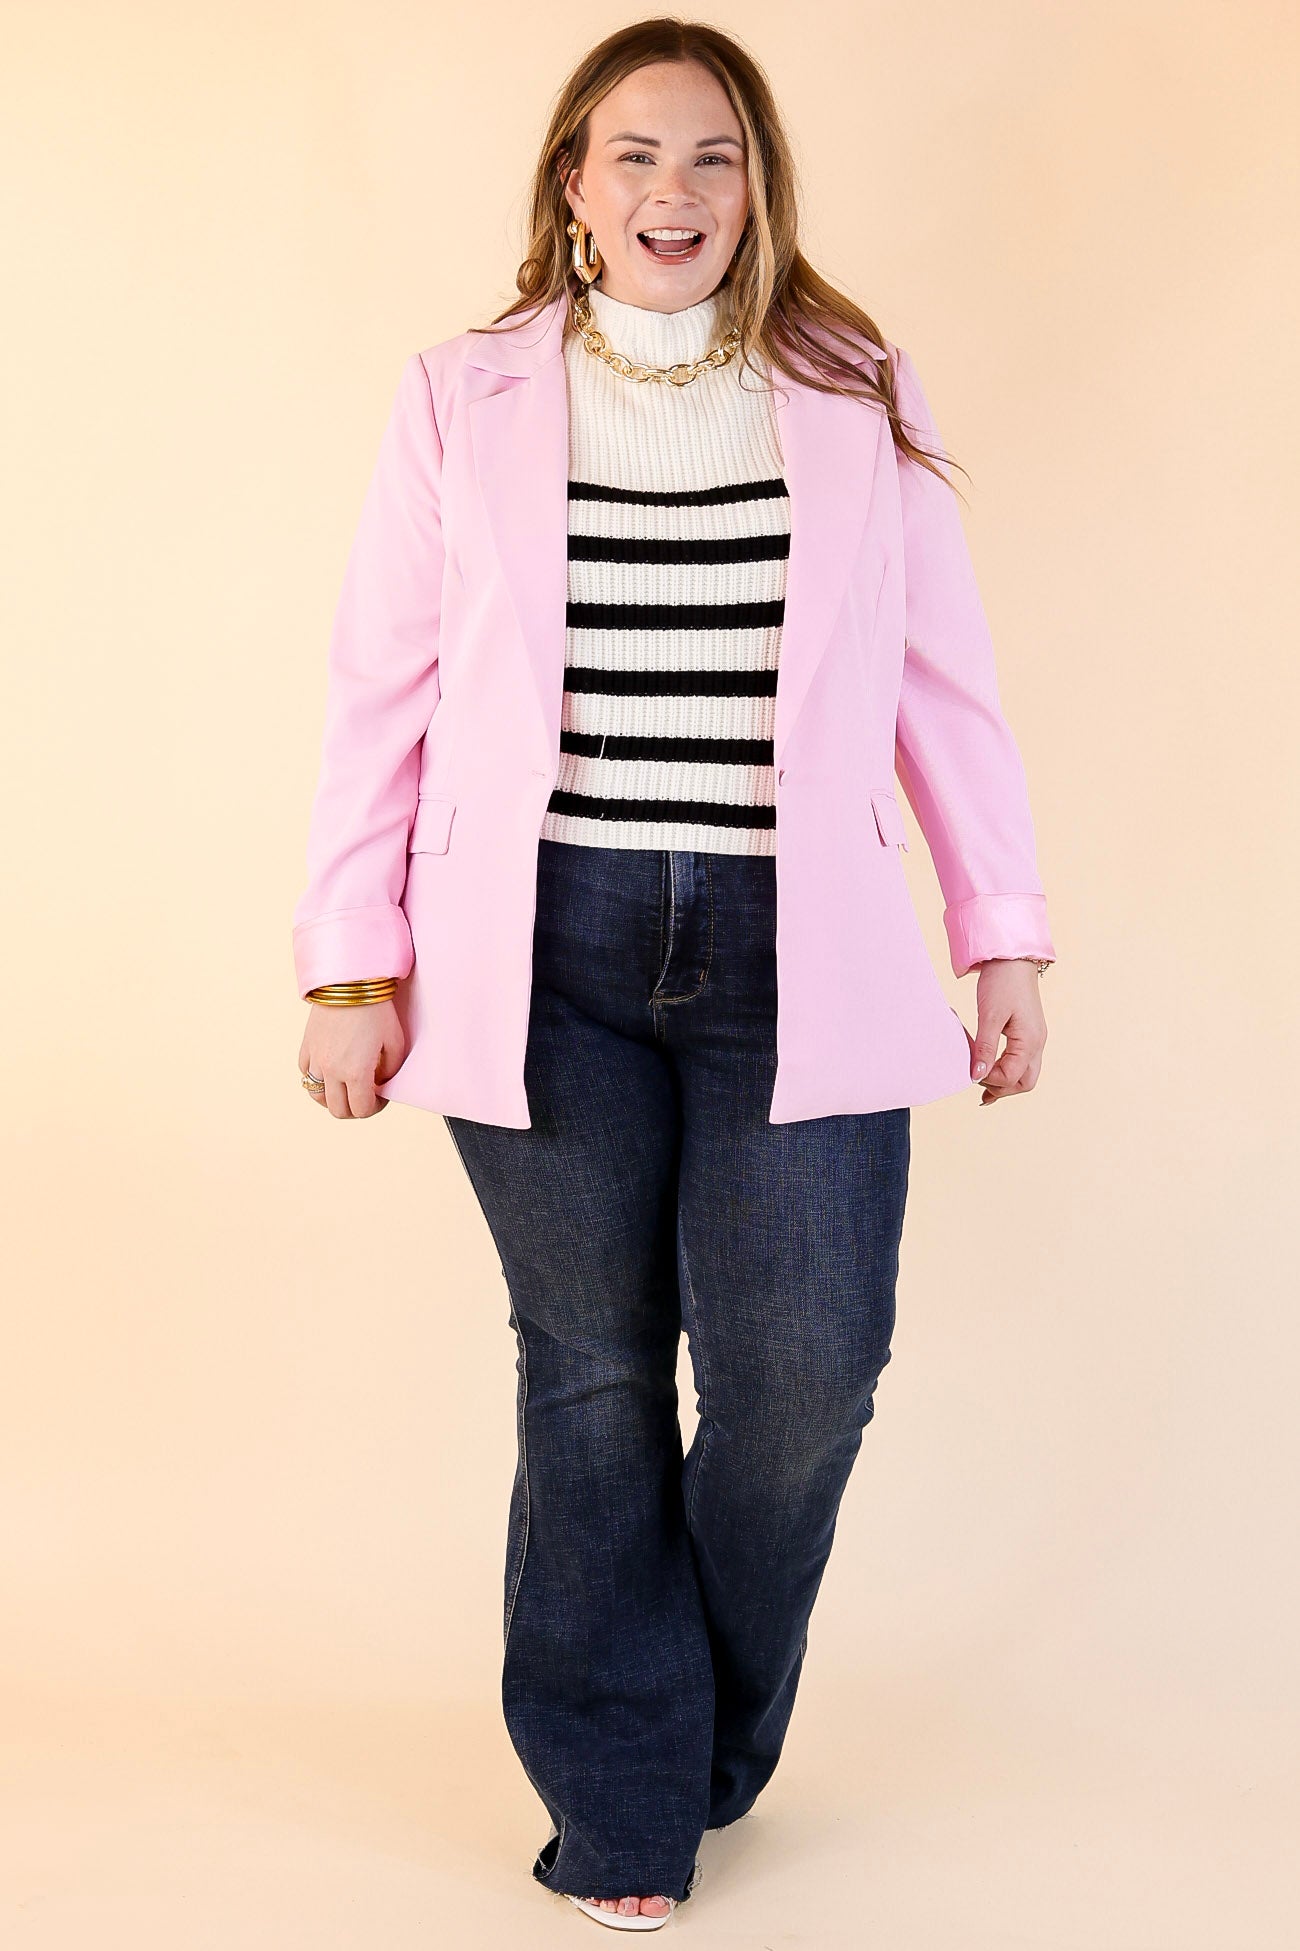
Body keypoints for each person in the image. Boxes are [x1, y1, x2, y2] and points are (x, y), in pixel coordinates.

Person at [293, 19, 1055, 1933]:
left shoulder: (852, 387)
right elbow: (382, 690)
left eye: (714, 156)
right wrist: (348, 965)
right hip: (535, 944)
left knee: (806, 1381)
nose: (674, 192)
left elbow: (942, 679)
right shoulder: (462, 394)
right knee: (597, 1372)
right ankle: (627, 1799)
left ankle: (690, 1732)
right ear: (572, 184)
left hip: (803, 945)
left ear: (758, 188)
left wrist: (1000, 928)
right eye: (633, 155)